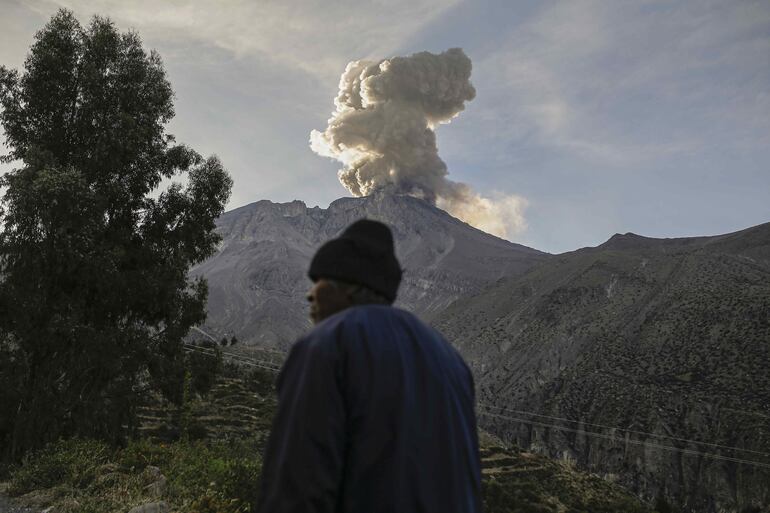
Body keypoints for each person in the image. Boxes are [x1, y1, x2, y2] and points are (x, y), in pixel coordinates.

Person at [256, 219, 482, 513]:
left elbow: (296, 487)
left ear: (347, 289)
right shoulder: (451, 360)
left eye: (319, 282)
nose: (310, 294)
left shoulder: (328, 344)